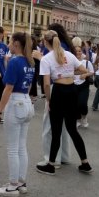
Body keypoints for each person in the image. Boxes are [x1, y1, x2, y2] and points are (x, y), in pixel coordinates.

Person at [36, 30, 92, 175]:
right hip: (72, 90)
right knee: (72, 129)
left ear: (45, 42)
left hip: (59, 91)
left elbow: (47, 84)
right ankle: (85, 162)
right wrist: (70, 73)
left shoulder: (46, 58)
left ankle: (51, 164)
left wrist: (48, 99)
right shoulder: (69, 54)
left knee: (56, 130)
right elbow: (84, 70)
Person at [0, 32, 36, 197]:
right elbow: (29, 85)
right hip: (26, 101)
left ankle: (12, 185)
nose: (8, 44)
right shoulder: (30, 61)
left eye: (10, 42)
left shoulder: (15, 62)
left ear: (16, 43)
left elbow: (8, 88)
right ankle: (21, 182)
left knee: (12, 149)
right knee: (22, 146)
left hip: (16, 102)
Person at [73, 38, 94, 128]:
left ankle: (84, 117)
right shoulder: (72, 62)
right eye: (76, 51)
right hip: (73, 84)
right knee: (75, 103)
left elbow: (92, 72)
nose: (78, 53)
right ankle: (77, 119)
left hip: (84, 85)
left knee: (82, 103)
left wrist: (85, 74)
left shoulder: (86, 62)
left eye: (79, 51)